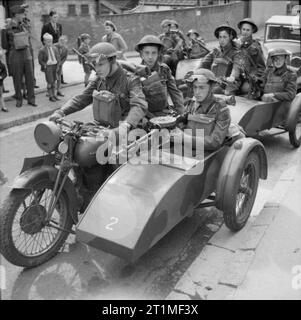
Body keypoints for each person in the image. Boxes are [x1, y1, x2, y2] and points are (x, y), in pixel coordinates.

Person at [49, 42, 148, 133]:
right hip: (102, 128)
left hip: (125, 130)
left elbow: (139, 105)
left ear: (112, 61)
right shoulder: (99, 79)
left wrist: (126, 125)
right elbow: (82, 98)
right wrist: (61, 112)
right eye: (95, 65)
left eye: (100, 64)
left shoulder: (131, 80)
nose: (97, 69)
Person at [175, 68, 231, 151]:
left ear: (211, 87)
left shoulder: (221, 109)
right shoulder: (191, 104)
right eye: (195, 87)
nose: (197, 92)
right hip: (189, 151)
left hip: (207, 154)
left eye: (201, 88)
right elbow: (182, 126)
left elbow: (215, 142)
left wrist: (184, 138)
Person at [133, 35, 184, 116]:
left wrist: (181, 113)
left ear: (158, 54)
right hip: (145, 116)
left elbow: (175, 93)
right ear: (141, 54)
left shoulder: (164, 70)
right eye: (147, 53)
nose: (150, 57)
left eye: (154, 53)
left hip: (164, 113)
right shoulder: (135, 73)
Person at [2, 5, 36, 108]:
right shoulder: (7, 27)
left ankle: (31, 99)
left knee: (30, 77)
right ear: (16, 15)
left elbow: (30, 37)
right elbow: (4, 44)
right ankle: (19, 99)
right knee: (17, 78)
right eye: (22, 14)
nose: (23, 15)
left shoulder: (25, 24)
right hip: (15, 54)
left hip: (26, 53)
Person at [197, 24, 241, 95]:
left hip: (230, 82)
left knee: (227, 94)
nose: (222, 40)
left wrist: (232, 76)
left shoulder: (236, 52)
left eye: (225, 37)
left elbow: (236, 67)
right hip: (216, 81)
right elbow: (204, 62)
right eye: (220, 37)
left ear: (230, 37)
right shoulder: (216, 51)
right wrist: (195, 72)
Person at [236, 18, 266, 97]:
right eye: (243, 29)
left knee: (245, 89)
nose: (245, 32)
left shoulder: (255, 47)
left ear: (252, 31)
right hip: (237, 76)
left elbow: (262, 67)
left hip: (250, 78)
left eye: (248, 30)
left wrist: (255, 78)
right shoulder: (236, 44)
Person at [21, 3, 39, 89]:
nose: (26, 12)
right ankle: (24, 85)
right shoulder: (20, 22)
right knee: (25, 65)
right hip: (24, 44)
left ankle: (32, 82)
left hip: (29, 43)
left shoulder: (27, 20)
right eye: (25, 11)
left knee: (32, 64)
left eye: (27, 11)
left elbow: (30, 33)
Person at [38, 33, 61, 102]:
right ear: (44, 41)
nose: (49, 43)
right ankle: (51, 96)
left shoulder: (54, 48)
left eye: (51, 41)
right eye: (48, 41)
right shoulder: (42, 50)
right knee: (50, 82)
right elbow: (40, 60)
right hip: (48, 67)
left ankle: (54, 95)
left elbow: (58, 57)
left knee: (54, 81)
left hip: (54, 66)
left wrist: (58, 65)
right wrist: (44, 65)